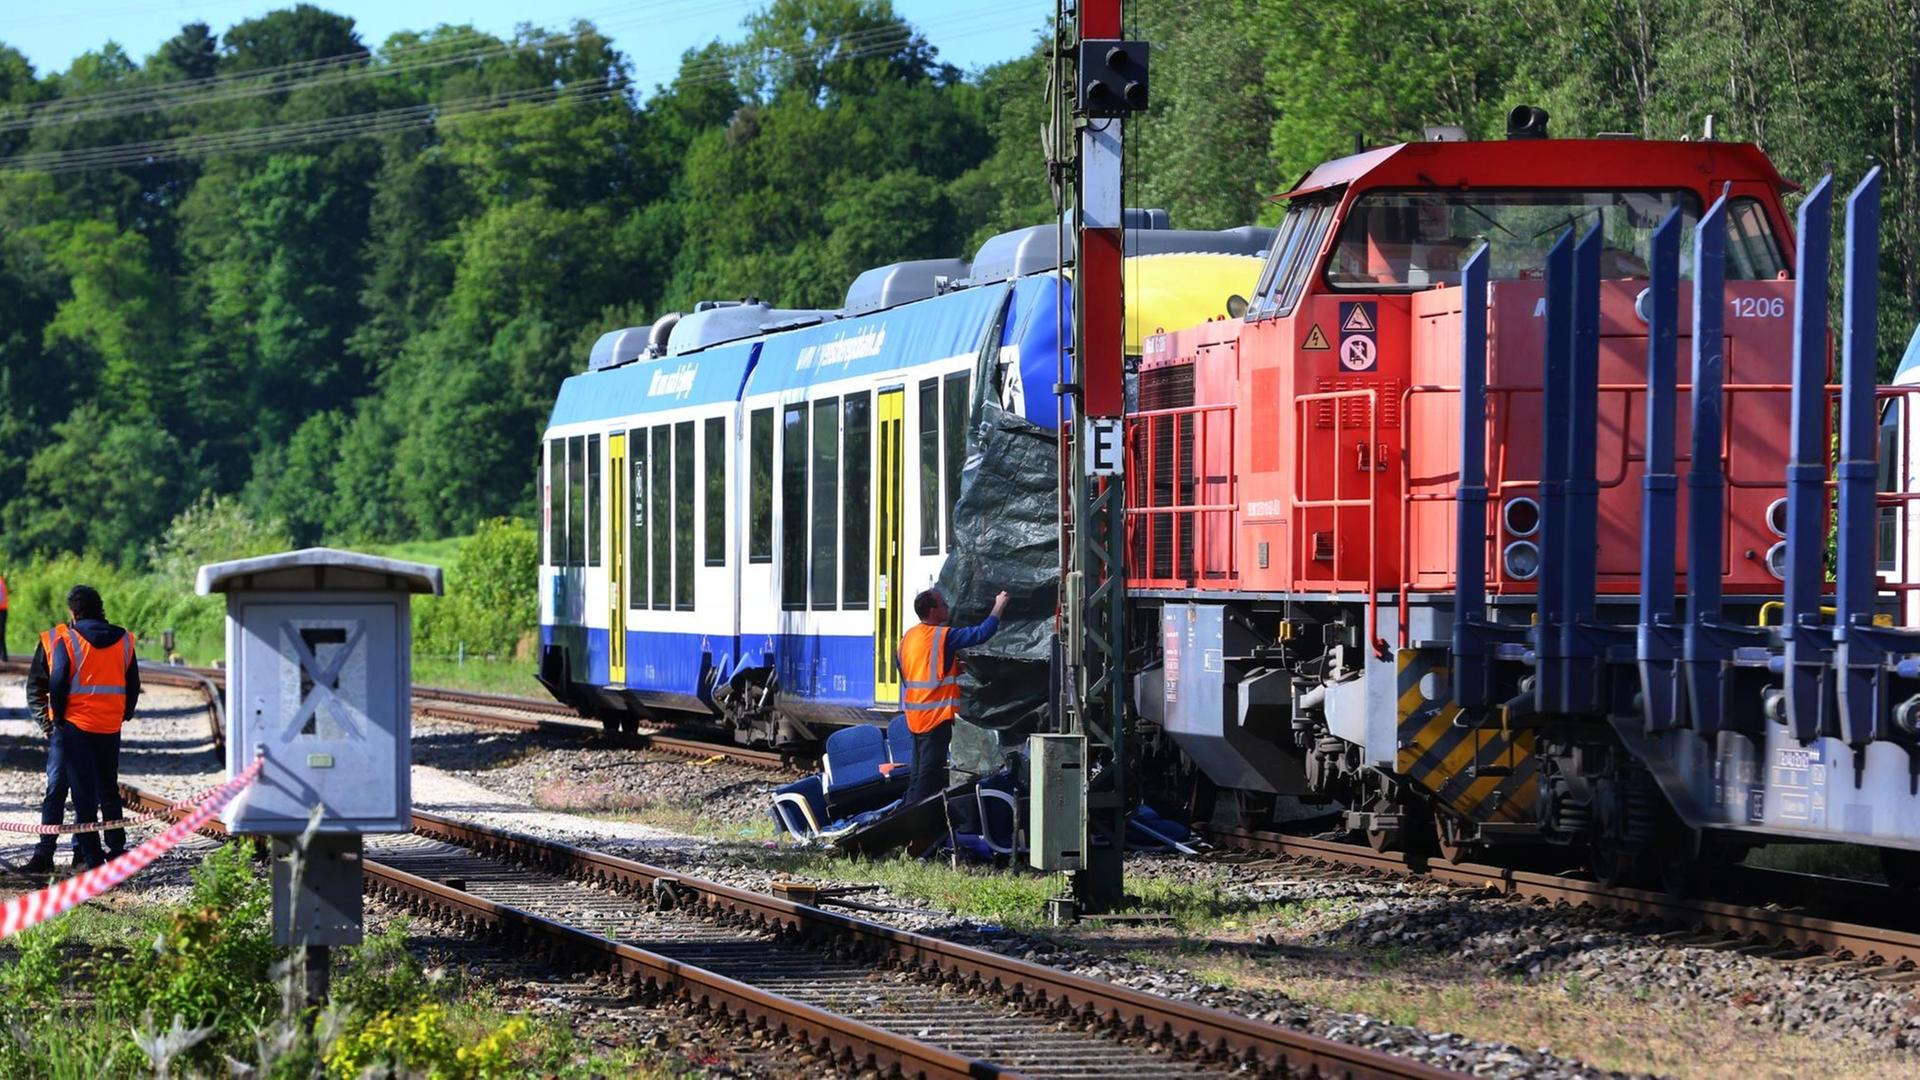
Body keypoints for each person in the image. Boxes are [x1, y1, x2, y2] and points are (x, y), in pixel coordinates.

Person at [24, 585, 140, 872]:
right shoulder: (124, 639)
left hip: (72, 728)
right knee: (106, 789)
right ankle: (114, 851)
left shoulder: (65, 638)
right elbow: (133, 685)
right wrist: (123, 714)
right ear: (100, 608)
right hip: (108, 727)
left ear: (72, 611)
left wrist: (55, 722)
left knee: (73, 792)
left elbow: (58, 681)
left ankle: (85, 857)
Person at [898, 586, 1007, 807]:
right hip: (934, 717)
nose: (947, 607)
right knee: (928, 777)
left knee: (919, 775)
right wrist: (999, 606)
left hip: (915, 716)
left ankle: (917, 820)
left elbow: (915, 669)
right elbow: (981, 633)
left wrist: (951, 668)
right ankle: (912, 826)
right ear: (932, 610)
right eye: (943, 605)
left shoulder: (909, 636)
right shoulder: (942, 635)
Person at [0, 570, 9, 662]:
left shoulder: (0, 582)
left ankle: (3, 656)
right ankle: (3, 655)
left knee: (1, 633)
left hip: (1, 610)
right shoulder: (1, 581)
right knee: (1, 633)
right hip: (3, 610)